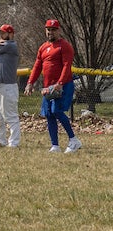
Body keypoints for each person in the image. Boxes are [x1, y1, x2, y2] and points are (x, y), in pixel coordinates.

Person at [25, 18, 81, 153]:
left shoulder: (64, 46)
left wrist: (60, 83)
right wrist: (30, 83)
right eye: (48, 30)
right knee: (49, 114)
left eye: (53, 30)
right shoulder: (43, 47)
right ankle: (55, 145)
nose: (51, 32)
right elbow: (37, 66)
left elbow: (67, 65)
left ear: (58, 31)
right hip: (48, 87)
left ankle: (74, 140)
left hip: (63, 85)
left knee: (57, 111)